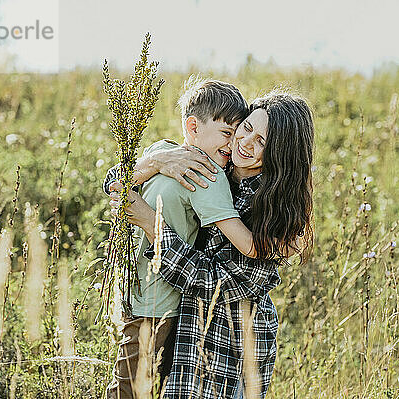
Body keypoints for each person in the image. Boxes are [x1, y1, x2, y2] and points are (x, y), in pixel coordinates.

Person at [110, 90, 315, 398]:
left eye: (263, 142)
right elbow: (113, 182)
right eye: (246, 129)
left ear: (280, 153)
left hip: (228, 338)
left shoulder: (273, 209)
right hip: (177, 316)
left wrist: (152, 224)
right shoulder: (213, 165)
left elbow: (215, 282)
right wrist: (157, 160)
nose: (246, 143)